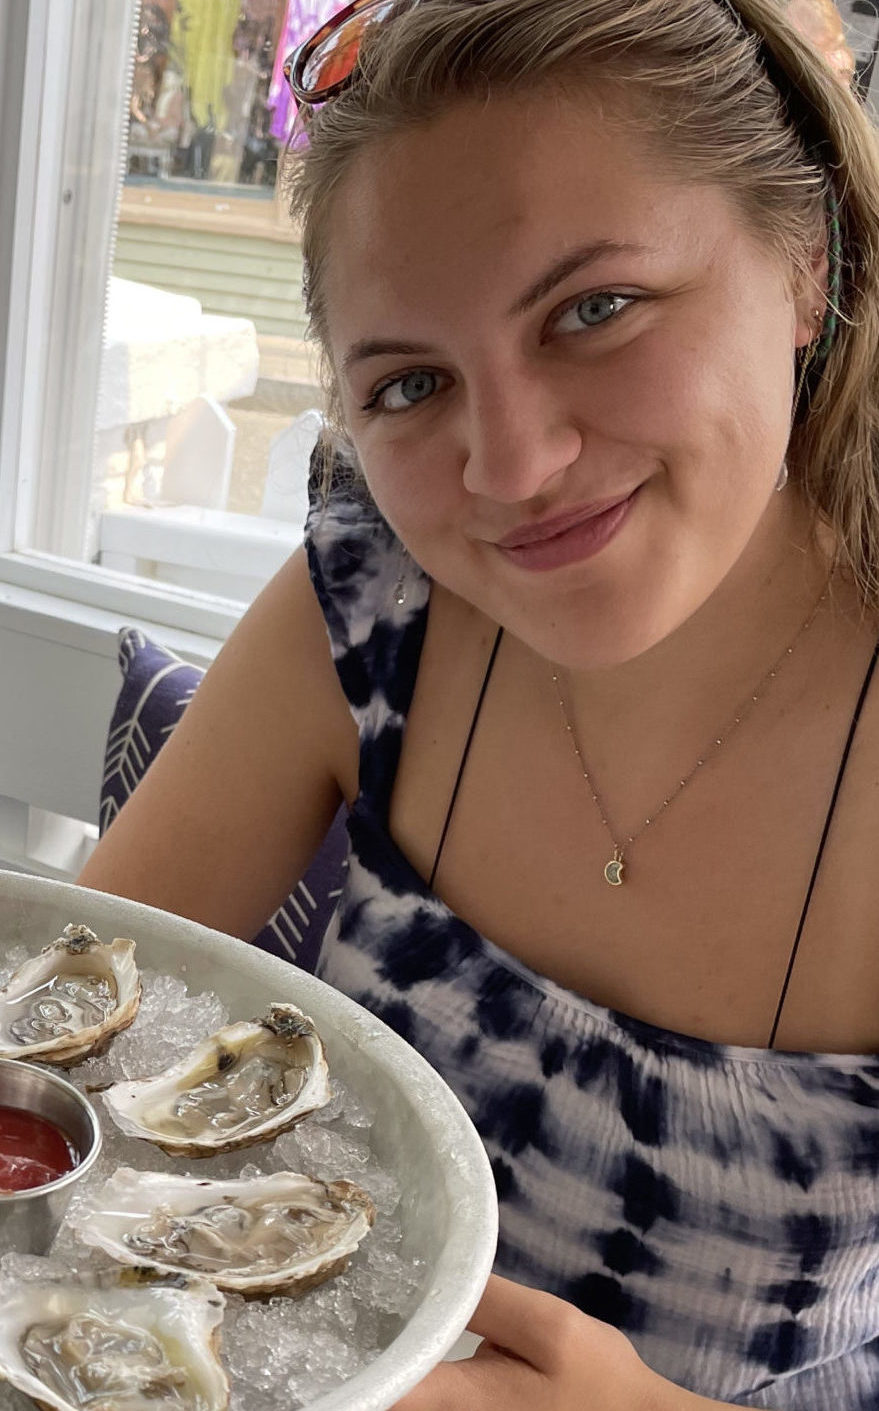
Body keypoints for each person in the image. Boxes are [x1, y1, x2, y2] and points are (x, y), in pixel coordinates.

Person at [77, 1, 879, 1406]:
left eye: (595, 310)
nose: (511, 465)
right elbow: (65, 1026)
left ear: (804, 267)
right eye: (411, 384)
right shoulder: (365, 609)